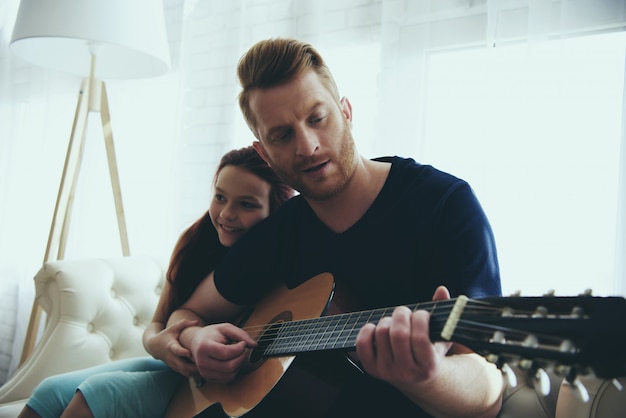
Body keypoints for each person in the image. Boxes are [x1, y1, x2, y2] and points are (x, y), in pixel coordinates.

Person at [165, 38, 504, 418]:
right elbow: (187, 312)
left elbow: (487, 391)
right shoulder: (280, 231)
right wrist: (196, 339)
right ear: (264, 153)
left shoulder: (444, 204)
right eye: (282, 135)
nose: (307, 146)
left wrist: (425, 375)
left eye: (317, 118)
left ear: (345, 112)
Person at [17, 146, 294, 418]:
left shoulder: (275, 259)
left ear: (275, 211)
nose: (226, 214)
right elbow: (156, 326)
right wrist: (161, 345)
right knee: (49, 390)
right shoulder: (194, 241)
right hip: (176, 368)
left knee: (98, 395)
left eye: (246, 204)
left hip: (217, 384)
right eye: (220, 197)